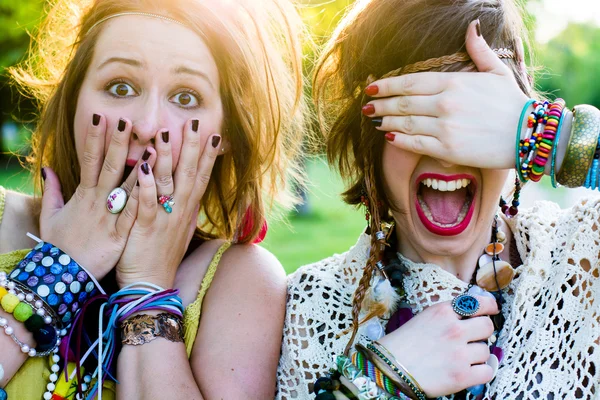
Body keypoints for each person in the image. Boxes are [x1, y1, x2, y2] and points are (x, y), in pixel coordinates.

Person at [277, 0, 599, 399]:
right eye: (414, 116)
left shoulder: (583, 258)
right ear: (368, 134)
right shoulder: (305, 308)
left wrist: (554, 137)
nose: (447, 150)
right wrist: (377, 383)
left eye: (475, 119)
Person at [0, 0, 306, 398]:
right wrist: (57, 271)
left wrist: (147, 289)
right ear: (74, 97)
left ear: (226, 132)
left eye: (185, 98)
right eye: (120, 87)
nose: (145, 126)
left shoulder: (241, 282)